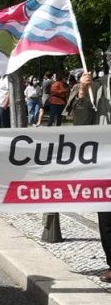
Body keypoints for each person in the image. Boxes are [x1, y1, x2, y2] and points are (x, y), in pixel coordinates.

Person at [65, 51, 111, 282]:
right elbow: (81, 124)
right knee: (107, 217)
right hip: (105, 162)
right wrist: (82, 92)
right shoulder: (96, 87)